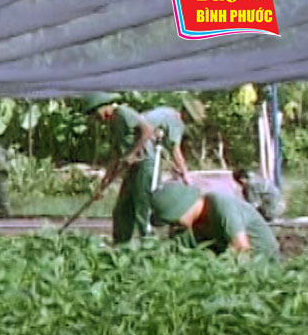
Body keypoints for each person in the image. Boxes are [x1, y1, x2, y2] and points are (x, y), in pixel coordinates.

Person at [85, 92, 156, 244]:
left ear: (104, 107)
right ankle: (121, 244)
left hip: (143, 163)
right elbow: (116, 154)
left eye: (96, 114)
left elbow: (148, 130)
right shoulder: (113, 123)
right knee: (122, 208)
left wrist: (133, 153)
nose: (97, 119)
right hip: (131, 166)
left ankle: (149, 243)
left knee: (142, 205)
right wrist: (103, 184)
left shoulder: (124, 112)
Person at [151, 181, 280, 261]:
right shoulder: (188, 227)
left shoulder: (221, 205)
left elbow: (242, 250)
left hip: (262, 265)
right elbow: (176, 255)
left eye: (173, 221)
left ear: (183, 208)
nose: (173, 226)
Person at [143, 106, 191, 185]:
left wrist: (173, 166)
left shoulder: (168, 111)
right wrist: (185, 173)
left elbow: (165, 146)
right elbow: (175, 150)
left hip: (138, 127)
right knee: (150, 167)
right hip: (143, 134)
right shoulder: (176, 122)